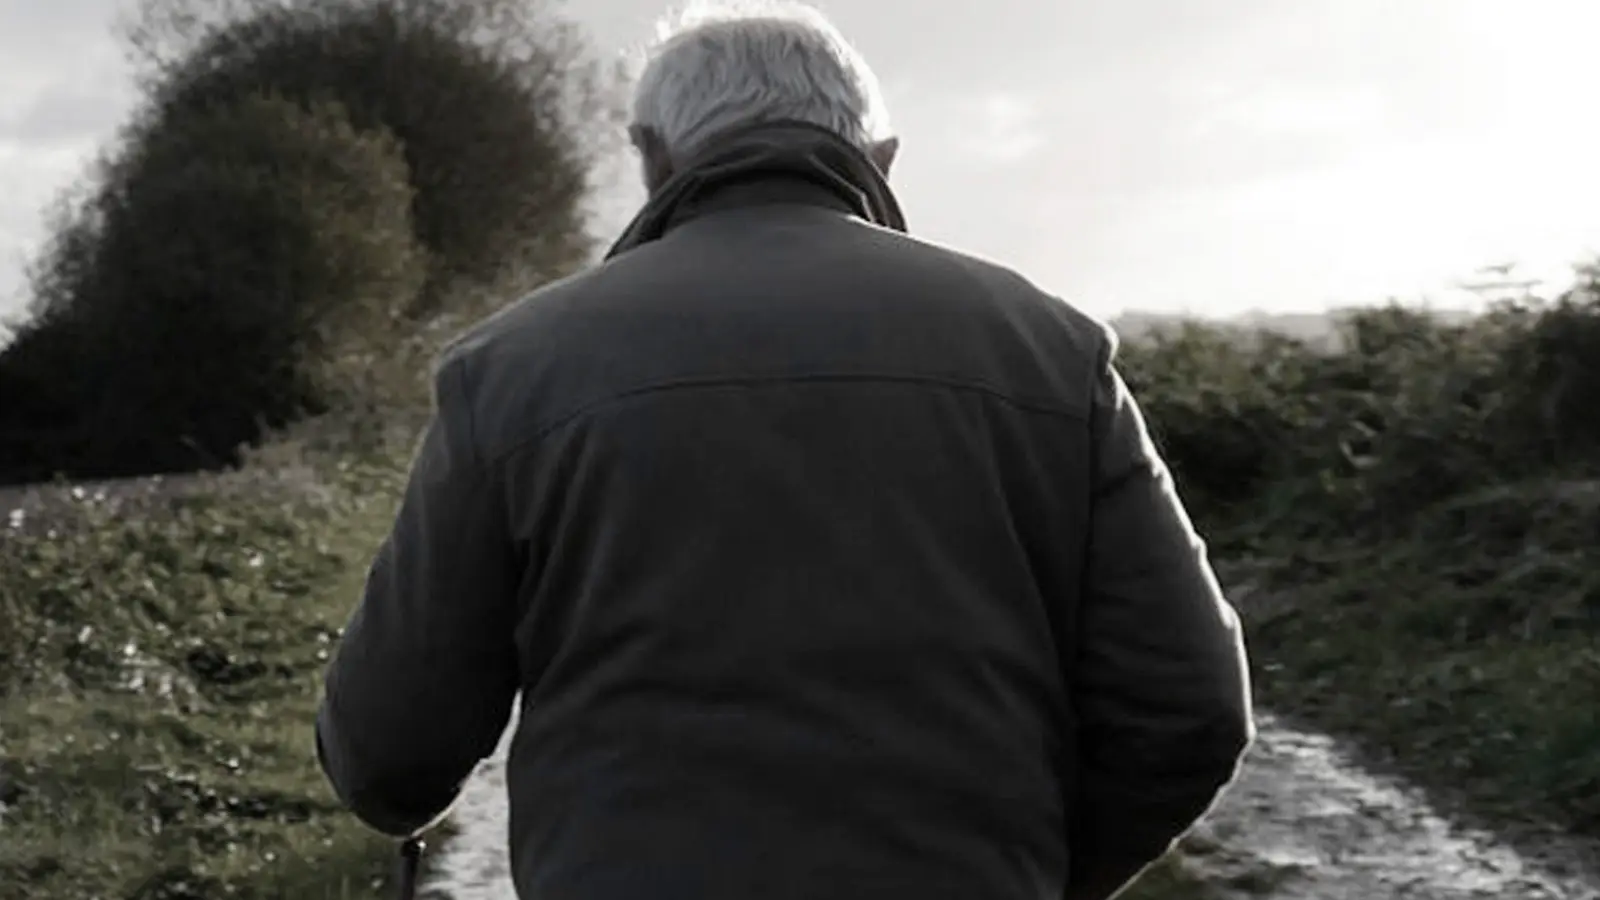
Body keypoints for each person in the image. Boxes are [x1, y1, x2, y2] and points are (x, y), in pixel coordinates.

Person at [314, 3, 1255, 899]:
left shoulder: (509, 369)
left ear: (652, 157)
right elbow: (1194, 709)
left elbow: (389, 759)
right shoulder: (1054, 352)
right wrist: (1042, 876)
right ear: (880, 157)